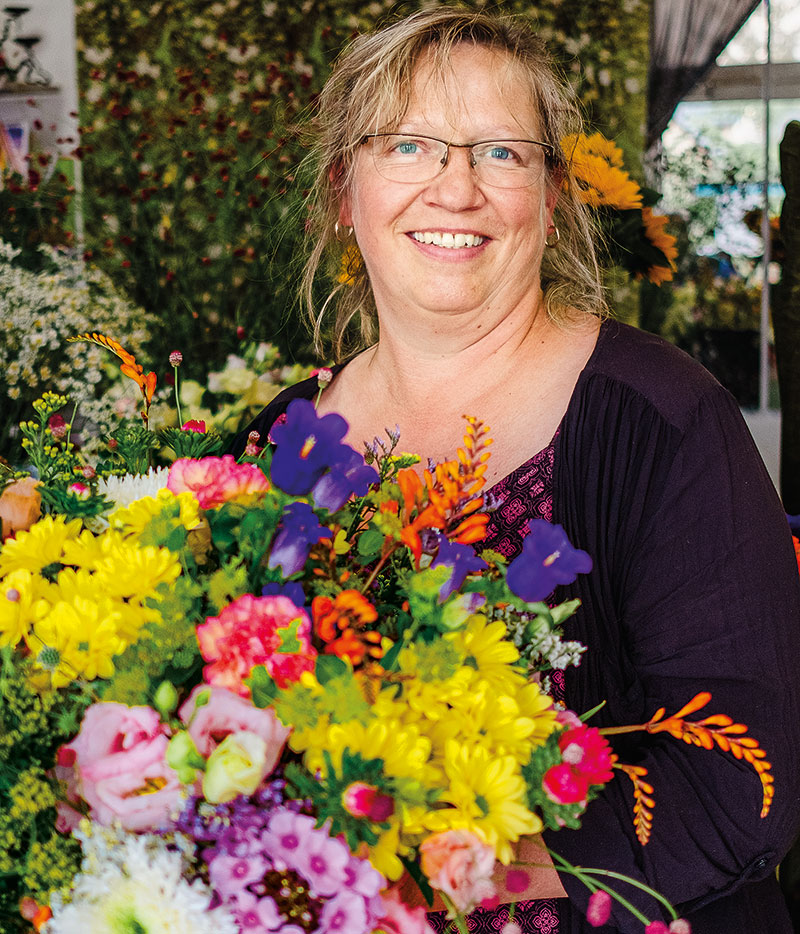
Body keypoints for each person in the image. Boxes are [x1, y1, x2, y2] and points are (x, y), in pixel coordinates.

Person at [233, 8, 800, 932]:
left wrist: (443, 868)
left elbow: (749, 783)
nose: (455, 189)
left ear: (551, 192)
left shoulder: (662, 419)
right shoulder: (277, 441)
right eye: (410, 145)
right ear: (345, 189)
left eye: (500, 153)